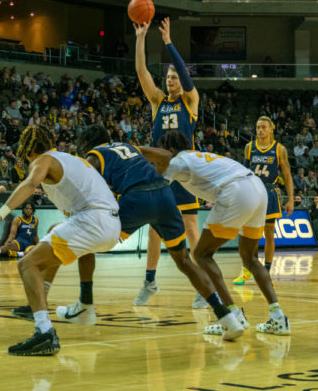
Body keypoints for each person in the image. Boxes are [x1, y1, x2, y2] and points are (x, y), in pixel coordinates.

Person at [54, 124, 246, 337]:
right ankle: (228, 318)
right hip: (164, 196)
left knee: (88, 240)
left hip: (137, 199)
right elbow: (165, 154)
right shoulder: (129, 147)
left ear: (88, 145)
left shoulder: (95, 155)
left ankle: (85, 305)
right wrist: (144, 159)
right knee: (184, 261)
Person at [0, 125, 122, 356]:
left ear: (30, 148)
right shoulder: (72, 159)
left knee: (27, 264)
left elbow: (30, 184)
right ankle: (40, 295)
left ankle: (44, 332)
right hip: (112, 224)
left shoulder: (43, 160)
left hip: (93, 221)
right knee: (54, 230)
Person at [144, 131, 290, 335]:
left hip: (236, 191)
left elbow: (157, 189)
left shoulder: (177, 161)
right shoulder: (198, 156)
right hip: (257, 188)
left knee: (201, 255)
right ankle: (278, 318)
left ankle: (232, 316)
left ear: (169, 150)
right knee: (250, 259)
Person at [133, 17, 204, 308]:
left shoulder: (190, 100)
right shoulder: (157, 102)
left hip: (185, 169)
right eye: (168, 78)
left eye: (173, 77)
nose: (170, 81)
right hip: (160, 171)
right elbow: (141, 71)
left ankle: (203, 282)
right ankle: (149, 281)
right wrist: (140, 38)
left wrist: (168, 43)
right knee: (153, 228)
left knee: (190, 227)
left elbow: (188, 81)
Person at [235, 116, 294, 285]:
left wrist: (290, 199)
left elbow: (288, 175)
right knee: (247, 234)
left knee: (269, 233)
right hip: (252, 191)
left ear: (271, 129)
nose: (260, 130)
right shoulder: (249, 147)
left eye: (263, 127)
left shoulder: (279, 149)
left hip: (269, 192)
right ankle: (246, 270)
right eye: (258, 127)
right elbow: (244, 172)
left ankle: (266, 272)